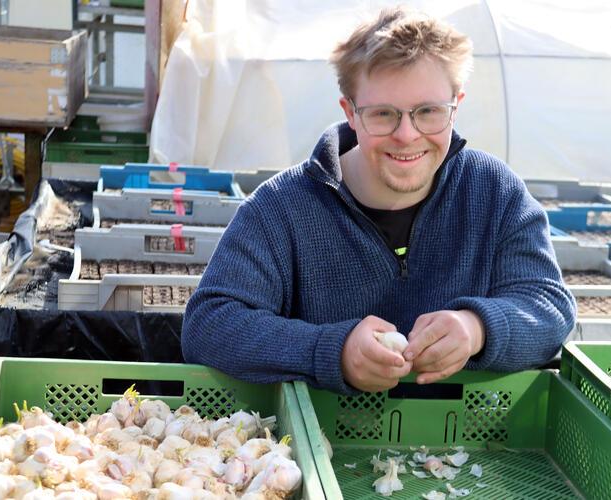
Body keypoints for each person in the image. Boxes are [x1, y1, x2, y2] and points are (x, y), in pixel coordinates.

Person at [182, 7, 576, 394]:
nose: (407, 135)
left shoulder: (494, 192)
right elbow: (209, 325)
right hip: (319, 428)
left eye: (429, 111)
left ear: (456, 106)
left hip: (471, 431)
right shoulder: (281, 209)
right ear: (350, 113)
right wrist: (333, 351)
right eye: (383, 114)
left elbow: (549, 306)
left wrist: (477, 327)